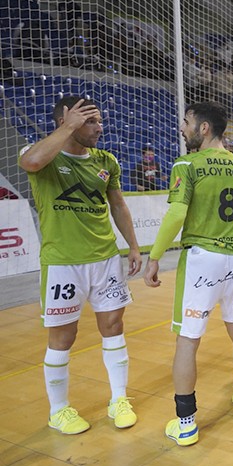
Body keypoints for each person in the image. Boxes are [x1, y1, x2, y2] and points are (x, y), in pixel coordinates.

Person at [143, 101, 233, 447]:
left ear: (204, 129)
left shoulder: (188, 163)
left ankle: (185, 422)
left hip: (202, 260)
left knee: (188, 339)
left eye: (186, 123)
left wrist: (154, 257)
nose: (182, 128)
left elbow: (176, 215)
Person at [18, 96, 141, 435]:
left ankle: (119, 399)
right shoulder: (42, 155)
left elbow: (118, 206)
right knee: (63, 336)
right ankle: (59, 411)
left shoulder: (106, 161)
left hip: (104, 260)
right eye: (90, 121)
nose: (99, 127)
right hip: (63, 264)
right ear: (67, 121)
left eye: (99, 121)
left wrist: (132, 246)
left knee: (113, 326)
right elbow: (30, 162)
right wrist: (68, 127)